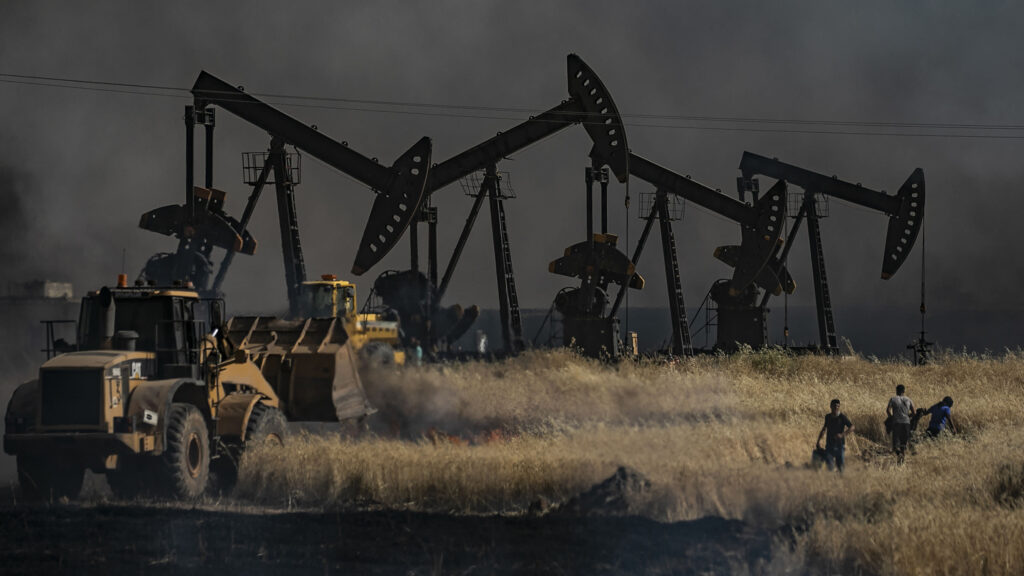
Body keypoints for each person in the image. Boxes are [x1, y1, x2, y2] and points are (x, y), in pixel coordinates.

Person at [816, 398, 854, 472]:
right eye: (834, 406)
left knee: (840, 468)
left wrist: (842, 435)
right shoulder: (828, 417)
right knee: (830, 466)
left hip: (840, 445)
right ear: (830, 406)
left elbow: (852, 427)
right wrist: (818, 441)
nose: (836, 407)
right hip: (829, 445)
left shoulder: (842, 417)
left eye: (837, 406)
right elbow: (824, 429)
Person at [886, 384, 915, 463]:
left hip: (897, 423)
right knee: (903, 445)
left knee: (895, 446)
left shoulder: (893, 399)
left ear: (896, 391)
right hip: (906, 423)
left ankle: (899, 456)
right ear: (904, 391)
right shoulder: (909, 399)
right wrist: (908, 417)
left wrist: (891, 418)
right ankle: (902, 462)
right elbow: (914, 412)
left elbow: (888, 410)